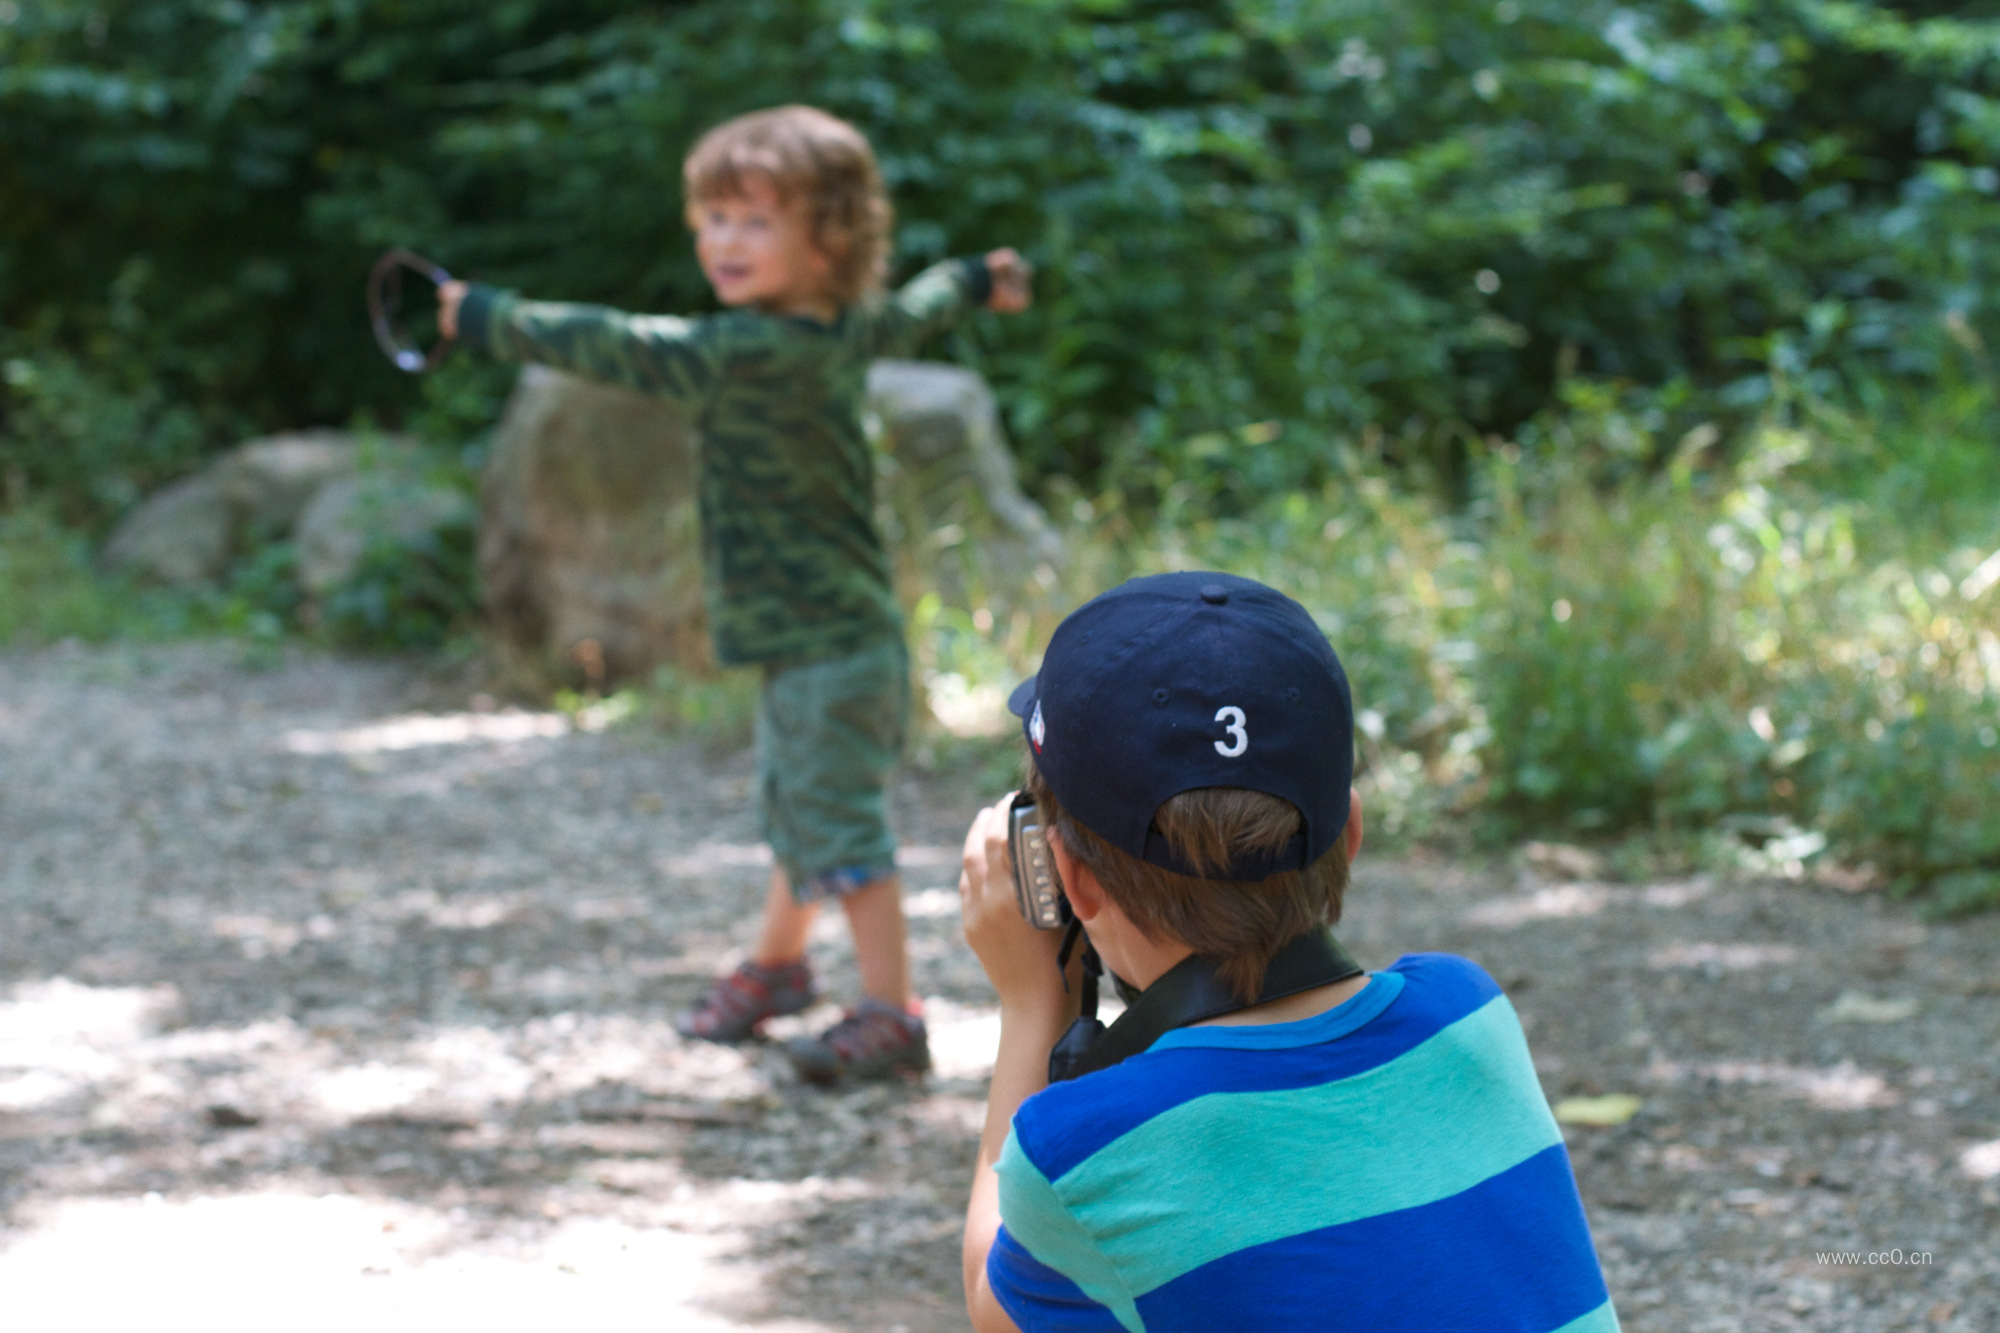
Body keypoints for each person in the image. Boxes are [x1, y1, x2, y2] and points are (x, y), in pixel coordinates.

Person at [438, 104, 1033, 1083]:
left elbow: (611, 342)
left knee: (836, 823)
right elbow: (925, 302)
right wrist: (979, 277)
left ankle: (890, 1011)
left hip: (834, 641)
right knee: (793, 808)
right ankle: (777, 965)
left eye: (754, 220)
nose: (723, 240)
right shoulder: (848, 331)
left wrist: (483, 313)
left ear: (829, 235)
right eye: (712, 218)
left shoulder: (739, 354)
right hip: (812, 638)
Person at [954, 571, 1621, 1332]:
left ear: (1071, 878)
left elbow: (993, 1303)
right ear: (1353, 833)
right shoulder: (1468, 1014)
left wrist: (1031, 1001)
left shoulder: (1080, 1153)